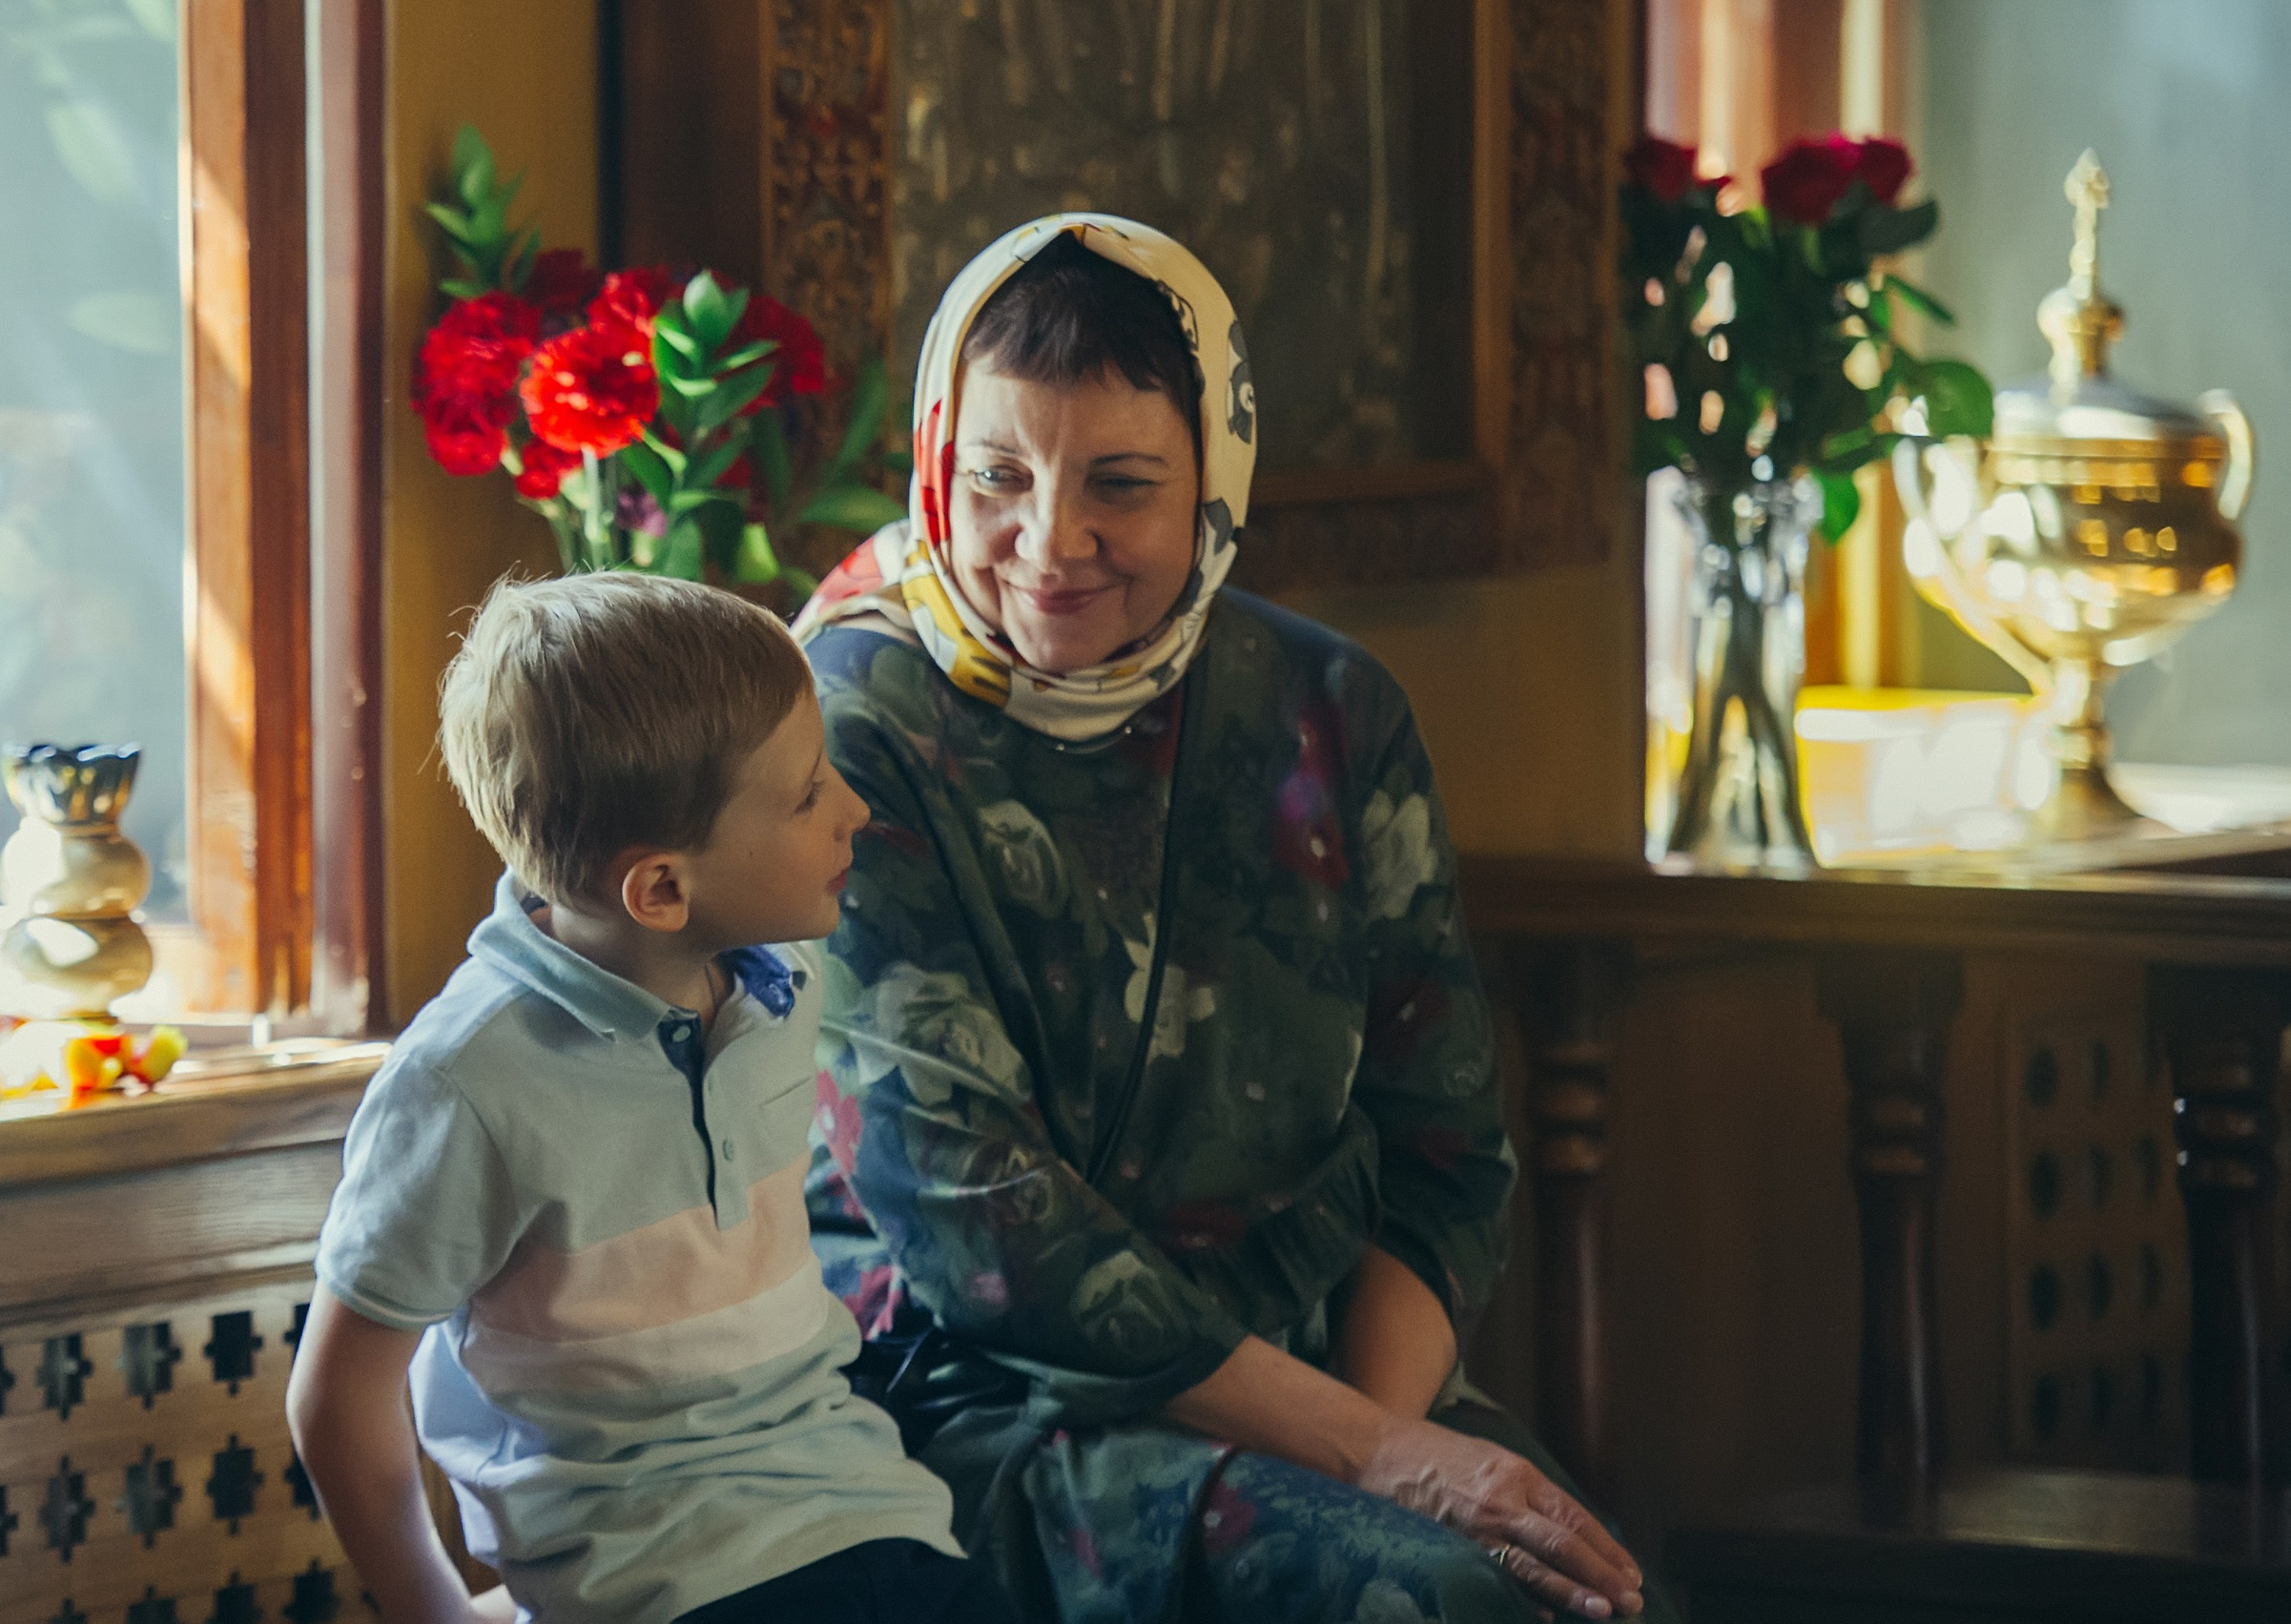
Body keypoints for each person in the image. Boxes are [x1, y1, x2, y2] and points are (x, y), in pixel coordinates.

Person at [795, 217, 1677, 1623]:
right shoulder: (851, 721)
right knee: (1440, 1602)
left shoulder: (1331, 705)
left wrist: (1375, 1446)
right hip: (997, 1405)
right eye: (997, 477)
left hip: (1326, 1379)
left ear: (1218, 479)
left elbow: (1443, 1157)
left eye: (1122, 486)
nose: (1048, 542)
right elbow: (983, 1233)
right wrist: (1375, 1460)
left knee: (1583, 1599)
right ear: (933, 461)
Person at [287, 574, 1007, 1623]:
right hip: (643, 1568)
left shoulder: (785, 974)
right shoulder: (463, 1086)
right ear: (660, 889)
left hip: (851, 1501)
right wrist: (434, 1608)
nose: (853, 809)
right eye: (807, 794)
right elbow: (338, 1394)